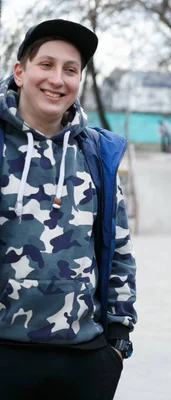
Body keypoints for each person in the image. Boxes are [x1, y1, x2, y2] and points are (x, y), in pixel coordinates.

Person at [0, 19, 137, 399]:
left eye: (70, 69)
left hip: (83, 359)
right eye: (46, 64)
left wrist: (117, 342)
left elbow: (120, 250)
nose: (57, 79)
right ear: (20, 71)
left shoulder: (96, 154)